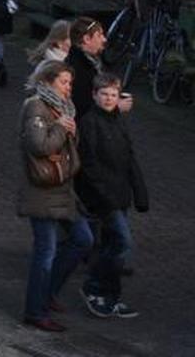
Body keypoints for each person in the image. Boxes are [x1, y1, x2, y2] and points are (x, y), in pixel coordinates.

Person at [19, 59, 91, 332]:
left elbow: (66, 146)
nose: (68, 88)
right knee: (45, 251)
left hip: (63, 188)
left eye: (70, 83)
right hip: (43, 190)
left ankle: (46, 293)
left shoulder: (63, 107)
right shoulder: (36, 107)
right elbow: (39, 146)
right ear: (49, 82)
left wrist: (68, 130)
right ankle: (35, 310)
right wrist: (62, 128)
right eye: (64, 82)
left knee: (83, 239)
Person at [76, 73, 146, 320]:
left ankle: (111, 295)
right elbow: (90, 164)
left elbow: (129, 158)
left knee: (112, 244)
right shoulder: (89, 123)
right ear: (94, 95)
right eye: (104, 94)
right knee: (123, 243)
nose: (108, 99)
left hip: (120, 194)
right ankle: (94, 286)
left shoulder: (118, 122)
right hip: (103, 198)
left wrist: (140, 192)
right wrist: (104, 195)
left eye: (113, 95)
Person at [64, 18, 107, 116]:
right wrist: (114, 107)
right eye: (99, 35)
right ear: (87, 39)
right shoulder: (79, 69)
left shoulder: (92, 62)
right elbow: (84, 106)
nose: (104, 39)